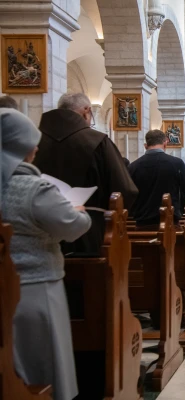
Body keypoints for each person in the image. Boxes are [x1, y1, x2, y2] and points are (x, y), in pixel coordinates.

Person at [1, 108, 92, 400]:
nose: (37, 147)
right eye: (32, 141)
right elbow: (74, 226)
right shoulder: (35, 188)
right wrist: (78, 211)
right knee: (45, 363)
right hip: (35, 286)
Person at [34, 93, 138, 256]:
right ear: (86, 111)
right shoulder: (97, 141)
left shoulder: (34, 141)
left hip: (41, 231)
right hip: (88, 232)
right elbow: (124, 189)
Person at [128, 130, 185, 227]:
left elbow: (130, 193)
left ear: (146, 145)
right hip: (170, 221)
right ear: (165, 143)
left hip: (143, 222)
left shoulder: (134, 166)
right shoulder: (176, 163)